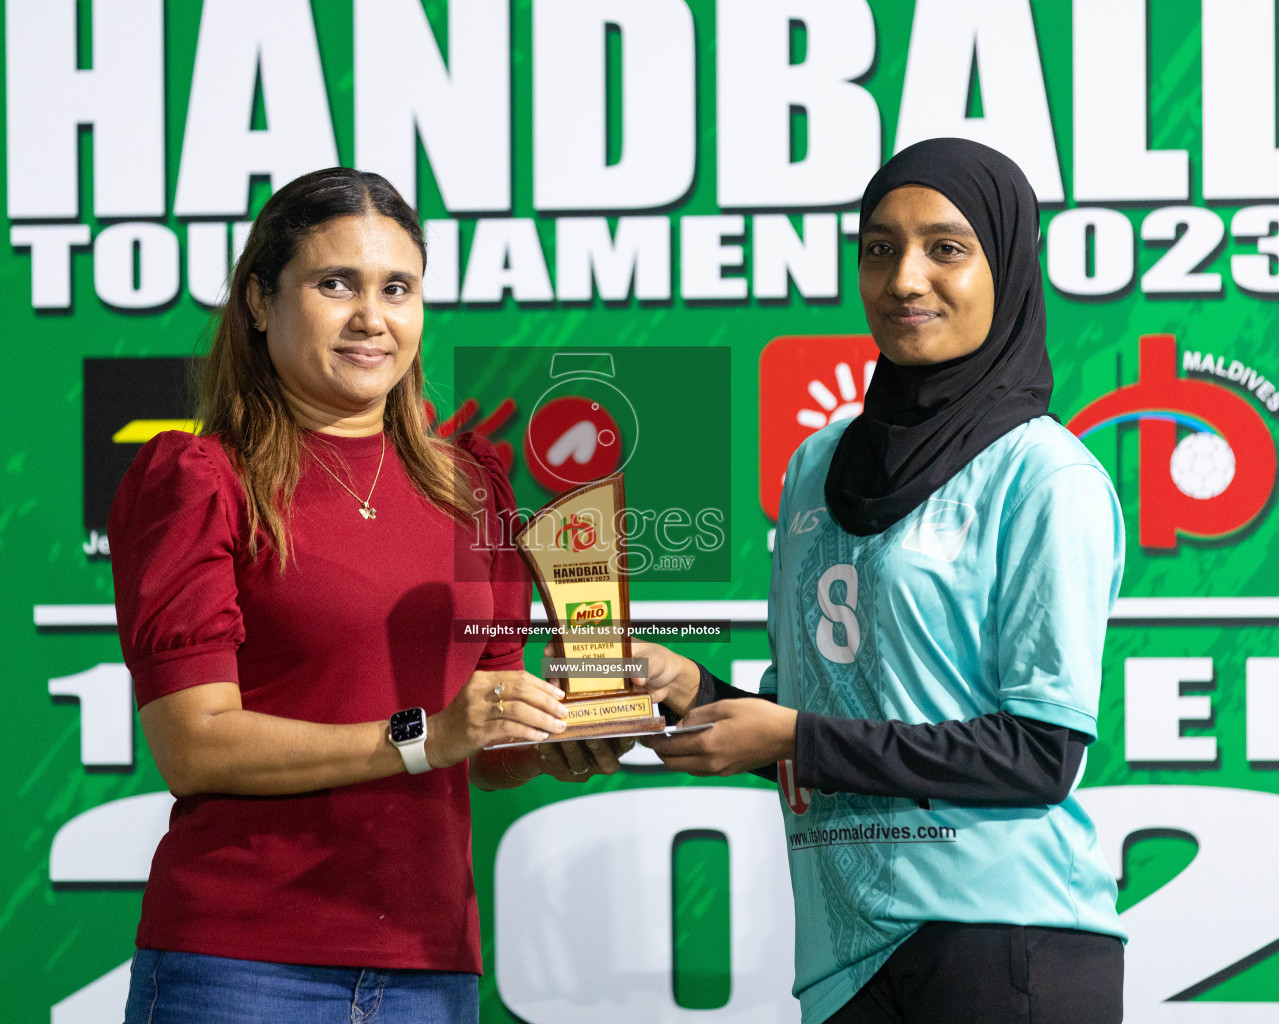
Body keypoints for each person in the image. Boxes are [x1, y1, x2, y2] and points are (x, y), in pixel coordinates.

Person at [109, 166, 625, 1024]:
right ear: (259, 301)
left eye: (398, 288)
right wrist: (425, 737)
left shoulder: (475, 489)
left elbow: (482, 745)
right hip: (241, 968)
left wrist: (554, 739)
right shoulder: (200, 480)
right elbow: (195, 745)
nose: (371, 318)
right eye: (333, 283)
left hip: (430, 968)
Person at [640, 138, 1128, 1024]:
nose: (905, 279)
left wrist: (796, 733)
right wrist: (692, 691)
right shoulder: (817, 465)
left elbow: (1039, 755)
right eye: (879, 247)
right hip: (844, 954)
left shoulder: (1044, 475)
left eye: (947, 247)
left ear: (1007, 267)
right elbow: (812, 718)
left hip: (1002, 940)